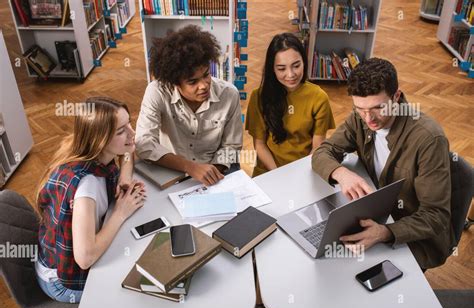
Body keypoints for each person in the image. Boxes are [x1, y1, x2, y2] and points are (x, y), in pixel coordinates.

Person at [312, 58, 456, 270]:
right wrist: (342, 173)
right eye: (360, 108)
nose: (368, 118)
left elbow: (436, 216)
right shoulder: (360, 117)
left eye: (378, 107)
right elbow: (322, 153)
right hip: (375, 214)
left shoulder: (429, 139)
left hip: (410, 236)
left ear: (396, 96)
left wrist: (385, 232)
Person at [35, 97, 146, 303]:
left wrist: (124, 177)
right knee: (137, 290)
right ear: (100, 140)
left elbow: (129, 151)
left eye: (129, 123)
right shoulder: (87, 185)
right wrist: (121, 212)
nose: (132, 134)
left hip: (56, 255)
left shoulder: (87, 149)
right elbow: (85, 259)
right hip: (62, 282)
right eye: (121, 131)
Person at [135, 25, 243, 186]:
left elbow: (232, 146)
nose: (204, 85)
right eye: (192, 82)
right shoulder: (156, 92)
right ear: (174, 83)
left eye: (206, 75)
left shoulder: (229, 94)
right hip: (171, 169)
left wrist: (210, 173)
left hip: (217, 169)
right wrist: (191, 167)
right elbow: (144, 143)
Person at [245, 33, 335, 177]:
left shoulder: (318, 97)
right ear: (272, 69)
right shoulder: (259, 97)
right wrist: (279, 175)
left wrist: (301, 174)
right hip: (269, 172)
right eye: (281, 69)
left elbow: (317, 146)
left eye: (296, 66)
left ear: (304, 62)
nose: (291, 74)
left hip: (305, 170)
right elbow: (260, 145)